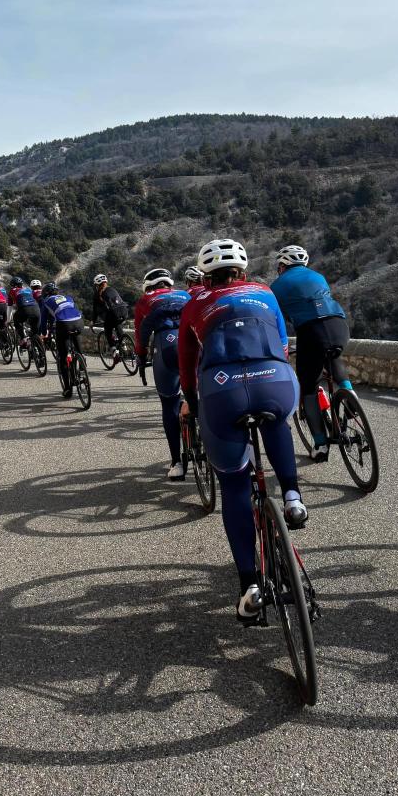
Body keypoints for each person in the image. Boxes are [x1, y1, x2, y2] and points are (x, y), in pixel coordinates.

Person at [179, 238, 307, 623]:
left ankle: (250, 587)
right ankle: (292, 496)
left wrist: (191, 401)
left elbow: (187, 369)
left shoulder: (194, 305)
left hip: (222, 390)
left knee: (235, 485)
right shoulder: (265, 292)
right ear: (244, 271)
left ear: (205, 275)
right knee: (277, 421)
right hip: (276, 381)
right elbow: (282, 344)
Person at [270, 244, 351, 461]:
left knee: (308, 387)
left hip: (310, 331)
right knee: (334, 359)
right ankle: (351, 401)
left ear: (282, 265)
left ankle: (321, 444)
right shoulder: (318, 276)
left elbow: (278, 319)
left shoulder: (276, 286)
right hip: (339, 325)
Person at [134, 268, 191, 480]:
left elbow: (141, 334)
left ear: (148, 286)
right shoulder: (186, 295)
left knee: (169, 404)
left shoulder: (144, 299)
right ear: (169, 284)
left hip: (165, 345)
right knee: (204, 395)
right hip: (192, 343)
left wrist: (140, 357)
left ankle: (177, 463)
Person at [39, 282, 85, 397]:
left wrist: (44, 334)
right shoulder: (68, 297)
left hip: (64, 325)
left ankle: (68, 389)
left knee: (63, 358)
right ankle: (82, 367)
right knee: (79, 352)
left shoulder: (47, 302)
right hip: (79, 322)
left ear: (46, 294)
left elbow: (43, 321)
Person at [91, 273, 129, 356]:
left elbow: (95, 310)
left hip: (113, 313)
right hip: (124, 311)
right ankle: (123, 343)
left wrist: (92, 322)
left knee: (107, 330)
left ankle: (114, 350)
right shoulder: (112, 289)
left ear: (96, 285)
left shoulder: (97, 294)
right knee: (117, 323)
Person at [8, 276, 41, 340]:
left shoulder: (12, 291)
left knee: (16, 319)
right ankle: (38, 347)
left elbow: (9, 307)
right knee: (35, 332)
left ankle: (23, 338)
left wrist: (8, 320)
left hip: (24, 309)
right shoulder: (28, 289)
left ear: (12, 285)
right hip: (36, 309)